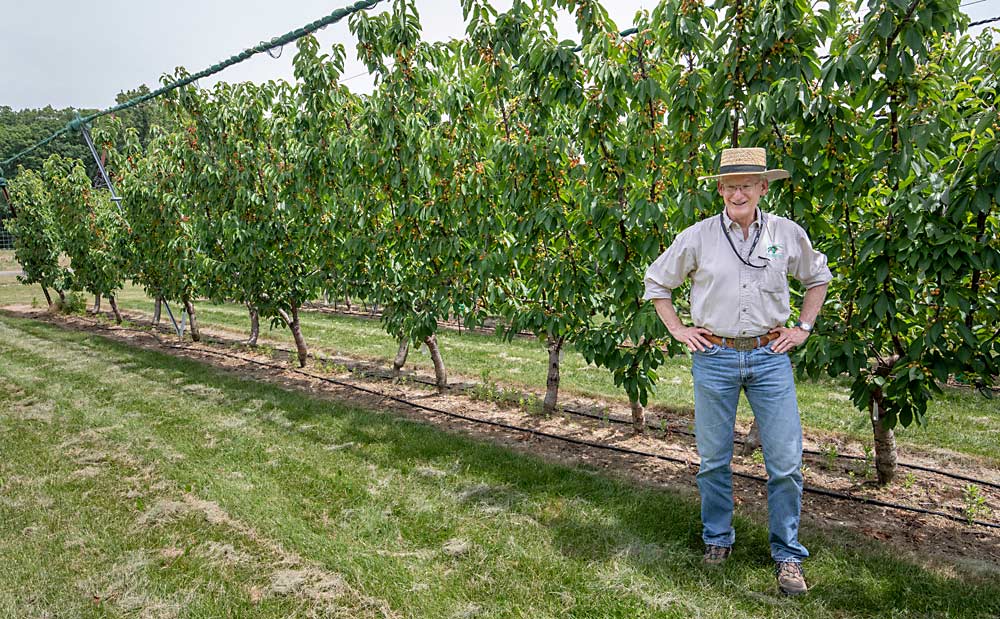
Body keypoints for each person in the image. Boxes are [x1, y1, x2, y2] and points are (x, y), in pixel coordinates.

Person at [643, 147, 831, 596]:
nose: (738, 192)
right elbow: (657, 282)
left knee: (785, 463)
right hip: (715, 357)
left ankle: (787, 555)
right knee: (712, 459)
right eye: (730, 185)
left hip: (770, 356)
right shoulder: (700, 236)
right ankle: (717, 539)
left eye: (747, 184)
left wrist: (803, 327)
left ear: (764, 188)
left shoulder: (785, 234)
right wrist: (679, 330)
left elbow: (817, 277)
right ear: (721, 190)